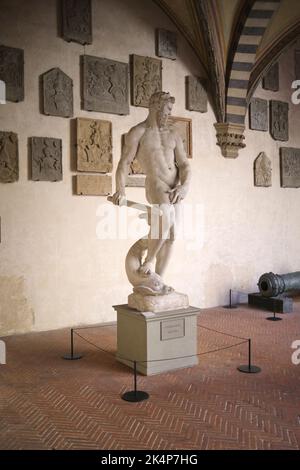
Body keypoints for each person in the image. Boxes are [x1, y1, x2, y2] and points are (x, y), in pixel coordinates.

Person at [112, 91, 191, 292]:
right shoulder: (138, 132)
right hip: (156, 186)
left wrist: (184, 186)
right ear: (155, 107)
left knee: (171, 236)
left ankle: (157, 281)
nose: (170, 114)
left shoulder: (173, 133)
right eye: (168, 109)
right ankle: (149, 260)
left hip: (175, 191)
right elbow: (124, 163)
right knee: (164, 220)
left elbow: (184, 165)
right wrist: (120, 190)